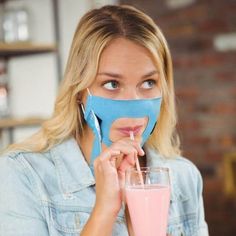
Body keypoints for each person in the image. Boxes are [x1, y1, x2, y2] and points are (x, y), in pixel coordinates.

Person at [0, 4, 209, 236]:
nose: (133, 105)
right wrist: (104, 211)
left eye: (148, 82)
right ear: (79, 90)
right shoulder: (23, 175)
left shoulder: (184, 177)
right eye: (112, 84)